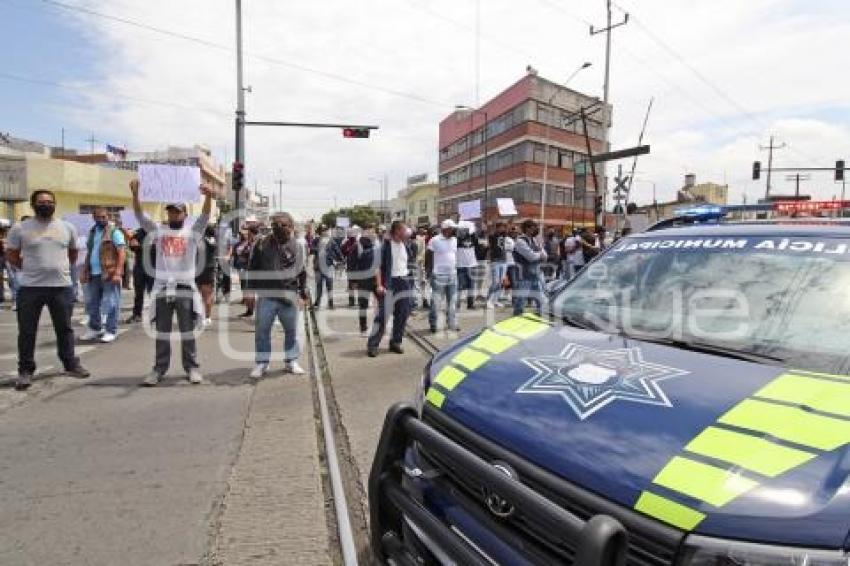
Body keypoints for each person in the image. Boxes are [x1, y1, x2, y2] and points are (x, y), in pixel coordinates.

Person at [130, 179, 213, 386]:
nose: (173, 215)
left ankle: (192, 367)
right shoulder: (158, 232)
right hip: (162, 289)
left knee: (188, 331)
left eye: (177, 212)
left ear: (185, 214)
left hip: (185, 289)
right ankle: (159, 369)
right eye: (171, 212)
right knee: (162, 332)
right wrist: (135, 194)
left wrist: (209, 196)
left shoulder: (192, 233)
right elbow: (140, 216)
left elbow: (204, 216)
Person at [6, 190, 90, 390]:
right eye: (41, 202)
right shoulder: (20, 228)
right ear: (33, 204)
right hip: (30, 288)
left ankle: (70, 363)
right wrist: (29, 269)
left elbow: (72, 253)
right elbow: (11, 254)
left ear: (55, 204)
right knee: (27, 331)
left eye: (50, 202)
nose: (46, 204)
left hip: (61, 287)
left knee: (65, 329)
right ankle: (25, 370)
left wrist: (57, 269)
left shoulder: (67, 227)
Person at [246, 211, 307, 379]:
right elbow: (253, 268)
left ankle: (291, 361)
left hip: (289, 296)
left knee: (291, 331)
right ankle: (262, 363)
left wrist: (303, 294)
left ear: (291, 227)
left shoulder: (299, 245)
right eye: (275, 225)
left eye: (283, 225)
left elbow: (302, 271)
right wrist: (249, 291)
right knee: (262, 331)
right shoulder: (261, 244)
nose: (279, 228)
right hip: (267, 296)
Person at [367, 220, 414, 357]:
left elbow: (408, 262)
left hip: (404, 281)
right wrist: (379, 285)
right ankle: (373, 345)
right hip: (389, 283)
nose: (407, 232)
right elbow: (377, 267)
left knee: (402, 314)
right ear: (397, 231)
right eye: (405, 230)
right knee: (383, 316)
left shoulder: (406, 244)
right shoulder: (385, 246)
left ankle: (395, 342)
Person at [80, 207, 126, 343]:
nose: (101, 219)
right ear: (93, 218)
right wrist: (84, 270)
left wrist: (118, 272)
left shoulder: (114, 232)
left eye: (104, 217)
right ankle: (95, 329)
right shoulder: (93, 232)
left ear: (108, 217)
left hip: (109, 273)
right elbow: (90, 252)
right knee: (91, 303)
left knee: (111, 303)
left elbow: (121, 252)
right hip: (93, 274)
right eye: (98, 217)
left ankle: (111, 330)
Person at [425, 219, 458, 333]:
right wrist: (428, 271)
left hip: (452, 275)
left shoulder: (454, 240)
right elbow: (428, 255)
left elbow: (453, 255)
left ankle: (451, 323)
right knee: (436, 301)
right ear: (446, 229)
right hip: (438, 276)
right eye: (452, 228)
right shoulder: (435, 240)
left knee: (452, 301)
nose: (454, 230)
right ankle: (433, 323)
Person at [512, 219, 547, 316]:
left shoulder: (534, 240)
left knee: (541, 299)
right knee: (521, 300)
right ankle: (517, 317)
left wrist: (540, 253)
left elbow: (545, 255)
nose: (535, 229)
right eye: (533, 228)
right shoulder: (520, 241)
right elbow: (531, 257)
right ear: (527, 229)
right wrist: (540, 254)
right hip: (524, 275)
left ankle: (543, 316)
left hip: (535, 274)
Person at [351, 225, 378, 335]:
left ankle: (377, 326)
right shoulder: (356, 247)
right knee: (363, 306)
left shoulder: (376, 247)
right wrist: (353, 282)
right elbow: (352, 265)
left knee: (380, 304)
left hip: (375, 280)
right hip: (364, 281)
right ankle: (363, 328)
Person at [126, 226, 154, 323]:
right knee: (138, 293)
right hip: (139, 267)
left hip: (153, 268)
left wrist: (140, 245)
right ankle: (137, 315)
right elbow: (132, 247)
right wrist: (132, 244)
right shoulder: (137, 232)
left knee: (153, 292)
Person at [311, 225, 342, 309]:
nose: (325, 232)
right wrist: (319, 248)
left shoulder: (331, 241)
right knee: (319, 286)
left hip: (328, 266)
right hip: (318, 266)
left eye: (326, 230)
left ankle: (331, 303)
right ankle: (317, 302)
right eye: (323, 230)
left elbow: (337, 251)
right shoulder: (316, 240)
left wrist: (342, 260)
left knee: (329, 285)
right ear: (320, 232)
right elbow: (311, 249)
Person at [195, 225, 217, 327]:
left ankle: (200, 316)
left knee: (198, 295)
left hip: (199, 269)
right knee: (207, 295)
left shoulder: (200, 241)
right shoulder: (213, 241)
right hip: (209, 269)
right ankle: (207, 317)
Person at [455, 221, 478, 310]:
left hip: (472, 264)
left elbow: (476, 241)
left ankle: (470, 304)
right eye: (462, 230)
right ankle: (457, 304)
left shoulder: (472, 237)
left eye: (466, 230)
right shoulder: (456, 238)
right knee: (459, 286)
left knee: (472, 286)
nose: (464, 231)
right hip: (460, 265)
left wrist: (472, 230)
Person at [234, 228, 256, 317]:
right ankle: (249, 309)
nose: (244, 235)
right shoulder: (242, 243)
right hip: (243, 267)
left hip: (250, 268)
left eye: (248, 233)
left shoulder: (254, 243)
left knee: (249, 290)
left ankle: (251, 310)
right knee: (245, 288)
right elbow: (237, 252)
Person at [486, 220, 509, 308]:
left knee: (501, 282)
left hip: (503, 260)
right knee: (495, 282)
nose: (503, 229)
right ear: (498, 227)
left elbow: (508, 227)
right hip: (495, 260)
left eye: (504, 227)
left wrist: (507, 223)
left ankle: (495, 300)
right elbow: (490, 233)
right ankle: (489, 300)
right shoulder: (493, 236)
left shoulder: (503, 235)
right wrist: (490, 225)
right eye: (502, 227)